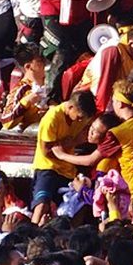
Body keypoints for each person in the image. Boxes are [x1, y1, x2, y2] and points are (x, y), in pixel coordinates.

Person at [30, 90, 96, 223]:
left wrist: (66, 144)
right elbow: (47, 151)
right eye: (79, 116)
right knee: (42, 205)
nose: (80, 120)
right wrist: (70, 143)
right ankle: (31, 233)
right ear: (71, 107)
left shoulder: (82, 119)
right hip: (48, 167)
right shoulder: (52, 118)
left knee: (79, 205)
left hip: (68, 170)